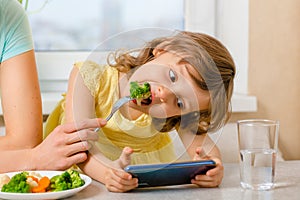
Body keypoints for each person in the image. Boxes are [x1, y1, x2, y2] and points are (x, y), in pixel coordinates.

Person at [44, 31, 236, 192]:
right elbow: (79, 143)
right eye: (172, 76)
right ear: (161, 50)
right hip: (82, 178)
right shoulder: (90, 78)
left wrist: (214, 167)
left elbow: (206, 150)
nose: (164, 94)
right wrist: (107, 173)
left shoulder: (171, 116)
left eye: (179, 102)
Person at [0, 0, 105, 173]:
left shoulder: (7, 14)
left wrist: (32, 156)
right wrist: (33, 158)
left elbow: (24, 143)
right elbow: (26, 152)